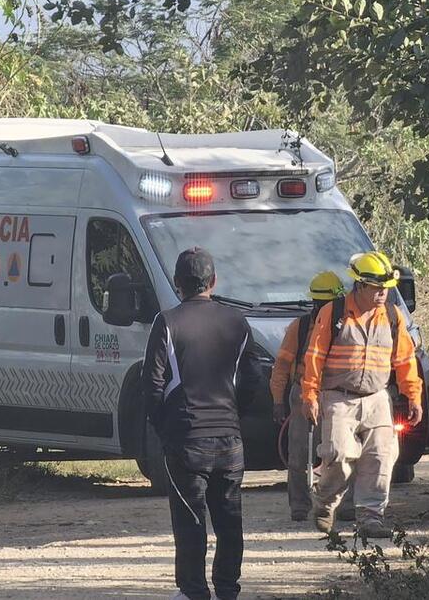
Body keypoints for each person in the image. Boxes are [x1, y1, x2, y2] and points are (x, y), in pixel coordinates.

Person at [143, 247, 260, 600]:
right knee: (229, 519)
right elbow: (253, 380)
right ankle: (228, 589)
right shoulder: (237, 322)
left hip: (186, 440)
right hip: (229, 440)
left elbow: (152, 385)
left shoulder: (167, 322)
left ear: (178, 284)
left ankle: (194, 591)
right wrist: (232, 414)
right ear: (213, 281)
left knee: (190, 520)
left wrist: (164, 427)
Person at [300, 251, 424, 539]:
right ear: (360, 285)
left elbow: (405, 360)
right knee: (338, 456)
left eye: (386, 288)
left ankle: (370, 517)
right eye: (377, 288)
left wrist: (413, 396)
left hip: (377, 397)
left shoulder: (392, 316)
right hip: (338, 397)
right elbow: (315, 357)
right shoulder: (333, 313)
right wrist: (310, 396)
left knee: (382, 455)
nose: (383, 293)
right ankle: (325, 502)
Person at [269, 271, 354, 522]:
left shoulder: (348, 326)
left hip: (338, 395)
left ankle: (344, 505)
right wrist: (277, 400)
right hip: (303, 394)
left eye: (325, 303)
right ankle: (299, 506)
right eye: (317, 302)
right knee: (298, 454)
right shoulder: (301, 326)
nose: (321, 307)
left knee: (342, 453)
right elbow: (282, 365)